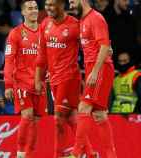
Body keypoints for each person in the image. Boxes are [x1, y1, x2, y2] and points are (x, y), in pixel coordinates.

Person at [34, 0, 93, 157]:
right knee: (71, 116)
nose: (48, 8)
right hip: (53, 79)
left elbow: (89, 46)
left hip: (69, 78)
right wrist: (38, 79)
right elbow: (41, 54)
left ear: (61, 5)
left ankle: (58, 154)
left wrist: (104, 52)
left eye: (52, 5)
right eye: (47, 5)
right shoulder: (45, 23)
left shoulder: (75, 25)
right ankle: (90, 153)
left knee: (59, 118)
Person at [64, 0, 117, 157]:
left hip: (99, 68)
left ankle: (76, 153)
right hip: (93, 68)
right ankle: (111, 155)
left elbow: (104, 45)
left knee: (83, 107)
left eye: (73, 1)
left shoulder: (96, 18)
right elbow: (104, 45)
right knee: (99, 115)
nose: (71, 5)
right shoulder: (83, 20)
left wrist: (95, 71)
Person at [4, 1, 47, 157]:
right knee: (27, 115)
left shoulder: (45, 32)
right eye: (30, 8)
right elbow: (9, 60)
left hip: (40, 83)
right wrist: (8, 84)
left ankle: (29, 154)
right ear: (22, 12)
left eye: (35, 8)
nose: (34, 11)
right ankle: (20, 153)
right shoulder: (15, 33)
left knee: (35, 120)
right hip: (22, 82)